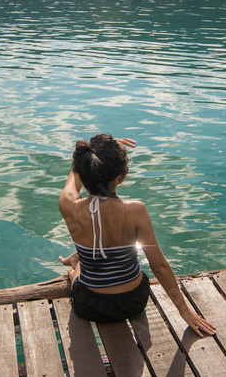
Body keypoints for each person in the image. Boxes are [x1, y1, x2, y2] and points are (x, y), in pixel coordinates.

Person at [58, 133, 216, 336]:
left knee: (81, 267)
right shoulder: (135, 211)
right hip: (133, 302)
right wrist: (185, 312)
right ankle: (78, 259)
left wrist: (90, 157)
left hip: (90, 305)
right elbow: (158, 266)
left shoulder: (68, 206)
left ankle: (76, 264)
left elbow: (74, 180)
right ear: (120, 177)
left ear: (83, 167)